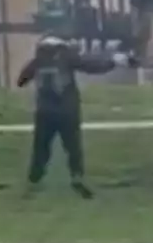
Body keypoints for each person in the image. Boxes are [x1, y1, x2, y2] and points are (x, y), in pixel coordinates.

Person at [16, 35, 138, 199]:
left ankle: (34, 181)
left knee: (41, 148)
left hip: (44, 112)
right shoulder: (67, 57)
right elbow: (91, 66)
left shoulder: (37, 61)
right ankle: (77, 177)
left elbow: (21, 80)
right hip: (68, 111)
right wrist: (113, 62)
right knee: (73, 147)